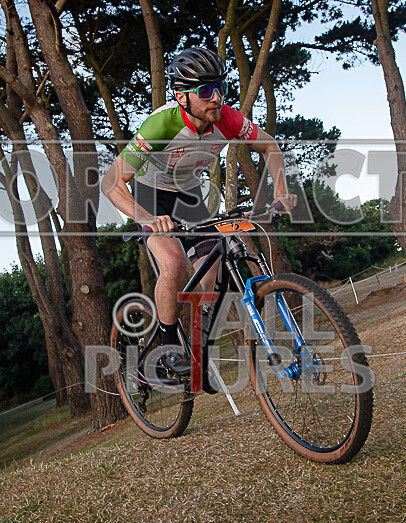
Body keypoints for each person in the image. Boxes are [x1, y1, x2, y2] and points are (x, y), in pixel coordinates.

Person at [101, 46, 296, 383]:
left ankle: (197, 341)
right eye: (206, 91)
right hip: (151, 194)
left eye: (221, 88)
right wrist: (146, 218)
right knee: (174, 264)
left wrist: (280, 191)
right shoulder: (161, 124)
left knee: (213, 268)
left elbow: (269, 146)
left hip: (189, 194)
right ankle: (166, 351)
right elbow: (111, 182)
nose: (216, 98)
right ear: (181, 97)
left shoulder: (228, 119)